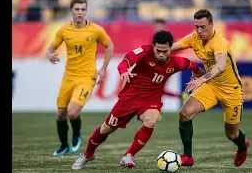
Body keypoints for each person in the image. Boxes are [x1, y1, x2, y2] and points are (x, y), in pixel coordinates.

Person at [71, 30, 205, 170]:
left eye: (165, 51)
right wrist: (124, 72)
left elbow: (195, 68)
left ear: (170, 48)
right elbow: (124, 63)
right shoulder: (144, 51)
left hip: (151, 99)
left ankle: (128, 155)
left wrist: (199, 80)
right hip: (129, 98)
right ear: (153, 46)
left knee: (151, 120)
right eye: (158, 50)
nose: (161, 54)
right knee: (106, 129)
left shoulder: (178, 62)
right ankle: (88, 155)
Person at [171, 9, 249, 167]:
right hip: (212, 86)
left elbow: (220, 66)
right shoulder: (194, 38)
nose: (199, 31)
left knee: (232, 134)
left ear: (212, 25)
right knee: (185, 113)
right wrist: (152, 53)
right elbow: (173, 47)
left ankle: (242, 146)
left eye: (203, 27)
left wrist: (201, 79)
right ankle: (188, 157)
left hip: (231, 91)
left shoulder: (219, 42)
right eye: (196, 27)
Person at [46, 0, 114, 156]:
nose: (80, 13)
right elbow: (51, 48)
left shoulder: (95, 30)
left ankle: (76, 134)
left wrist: (103, 69)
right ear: (71, 11)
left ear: (86, 11)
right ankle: (63, 145)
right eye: (77, 9)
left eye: (83, 9)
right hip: (69, 76)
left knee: (72, 112)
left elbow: (109, 45)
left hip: (86, 77)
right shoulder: (64, 30)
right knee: (61, 114)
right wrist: (50, 55)